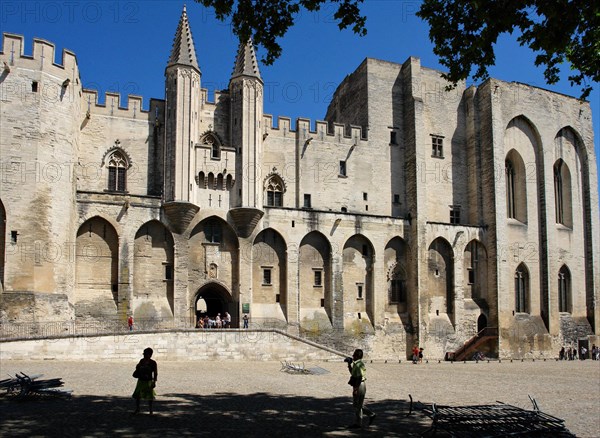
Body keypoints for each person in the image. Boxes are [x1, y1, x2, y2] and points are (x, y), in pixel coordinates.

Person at [347, 349, 375, 428]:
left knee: (357, 405)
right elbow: (353, 373)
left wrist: (355, 389)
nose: (352, 356)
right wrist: (349, 365)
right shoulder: (357, 364)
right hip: (359, 384)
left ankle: (358, 423)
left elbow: (358, 377)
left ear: (356, 356)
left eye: (354, 355)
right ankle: (371, 415)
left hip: (359, 385)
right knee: (358, 404)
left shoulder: (358, 364)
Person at [132, 347, 158, 415]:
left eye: (145, 354)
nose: (144, 355)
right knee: (138, 395)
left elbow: (155, 373)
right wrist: (138, 366)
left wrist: (154, 382)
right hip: (141, 380)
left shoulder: (153, 363)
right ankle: (137, 409)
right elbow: (138, 368)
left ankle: (150, 410)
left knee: (150, 396)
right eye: (144, 354)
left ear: (149, 354)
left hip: (148, 381)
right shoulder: (142, 361)